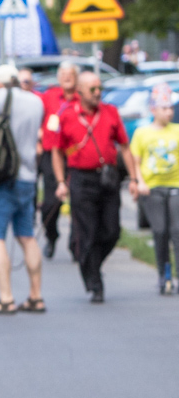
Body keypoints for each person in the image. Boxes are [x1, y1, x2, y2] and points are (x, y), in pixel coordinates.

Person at [44, 71, 138, 303]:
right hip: (81, 179)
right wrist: (59, 182)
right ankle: (95, 282)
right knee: (87, 233)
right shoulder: (66, 115)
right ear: (80, 92)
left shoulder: (110, 112)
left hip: (107, 178)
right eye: (93, 89)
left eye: (99, 88)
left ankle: (93, 263)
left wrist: (135, 179)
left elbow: (124, 147)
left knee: (111, 231)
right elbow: (57, 152)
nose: (98, 93)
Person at [0, 65, 46, 314]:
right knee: (27, 236)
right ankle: (36, 296)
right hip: (28, 176)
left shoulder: (2, 97)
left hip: (4, 175)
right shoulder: (37, 102)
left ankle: (6, 298)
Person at [128, 82, 179, 293]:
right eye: (164, 108)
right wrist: (139, 182)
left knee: (177, 232)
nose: (169, 112)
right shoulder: (142, 133)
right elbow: (135, 160)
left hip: (175, 185)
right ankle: (163, 274)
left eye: (171, 108)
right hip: (152, 188)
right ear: (153, 109)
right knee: (160, 231)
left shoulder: (177, 130)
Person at [36, 61, 79, 259]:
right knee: (50, 204)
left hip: (75, 154)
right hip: (51, 154)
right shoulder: (50, 96)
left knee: (79, 202)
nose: (66, 77)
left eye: (70, 73)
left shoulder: (82, 97)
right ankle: (51, 236)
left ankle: (75, 244)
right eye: (63, 74)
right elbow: (37, 117)